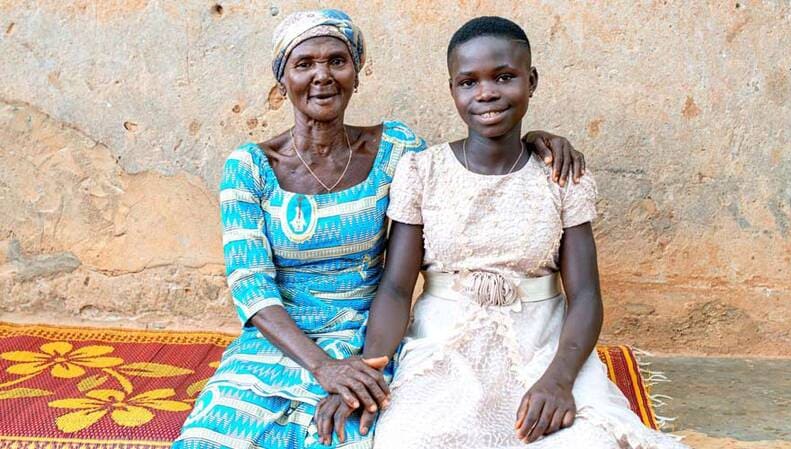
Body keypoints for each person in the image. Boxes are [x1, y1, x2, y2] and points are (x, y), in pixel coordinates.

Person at [172, 9, 586, 449]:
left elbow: (467, 166)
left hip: (367, 337)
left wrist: (532, 142)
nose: (322, 76)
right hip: (276, 340)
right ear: (282, 81)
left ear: (356, 73)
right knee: (211, 438)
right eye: (304, 64)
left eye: (336, 61)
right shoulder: (250, 168)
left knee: (342, 436)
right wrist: (322, 367)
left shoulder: (395, 149)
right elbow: (251, 288)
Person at [315, 16, 690, 449]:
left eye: (504, 77)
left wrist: (559, 380)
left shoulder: (559, 175)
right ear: (452, 90)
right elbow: (398, 289)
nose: (486, 93)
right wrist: (370, 369)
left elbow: (585, 294)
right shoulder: (421, 171)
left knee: (587, 441)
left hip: (543, 344)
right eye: (468, 82)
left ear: (531, 81)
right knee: (408, 439)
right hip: (445, 340)